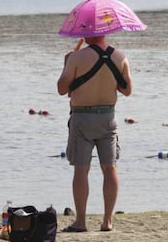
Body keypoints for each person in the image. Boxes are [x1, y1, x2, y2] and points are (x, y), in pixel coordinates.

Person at [57, 35, 132, 232]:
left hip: (82, 117)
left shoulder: (76, 57)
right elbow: (127, 90)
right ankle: (107, 221)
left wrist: (66, 64)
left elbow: (61, 89)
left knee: (81, 169)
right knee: (110, 168)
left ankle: (80, 221)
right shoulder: (120, 56)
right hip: (107, 117)